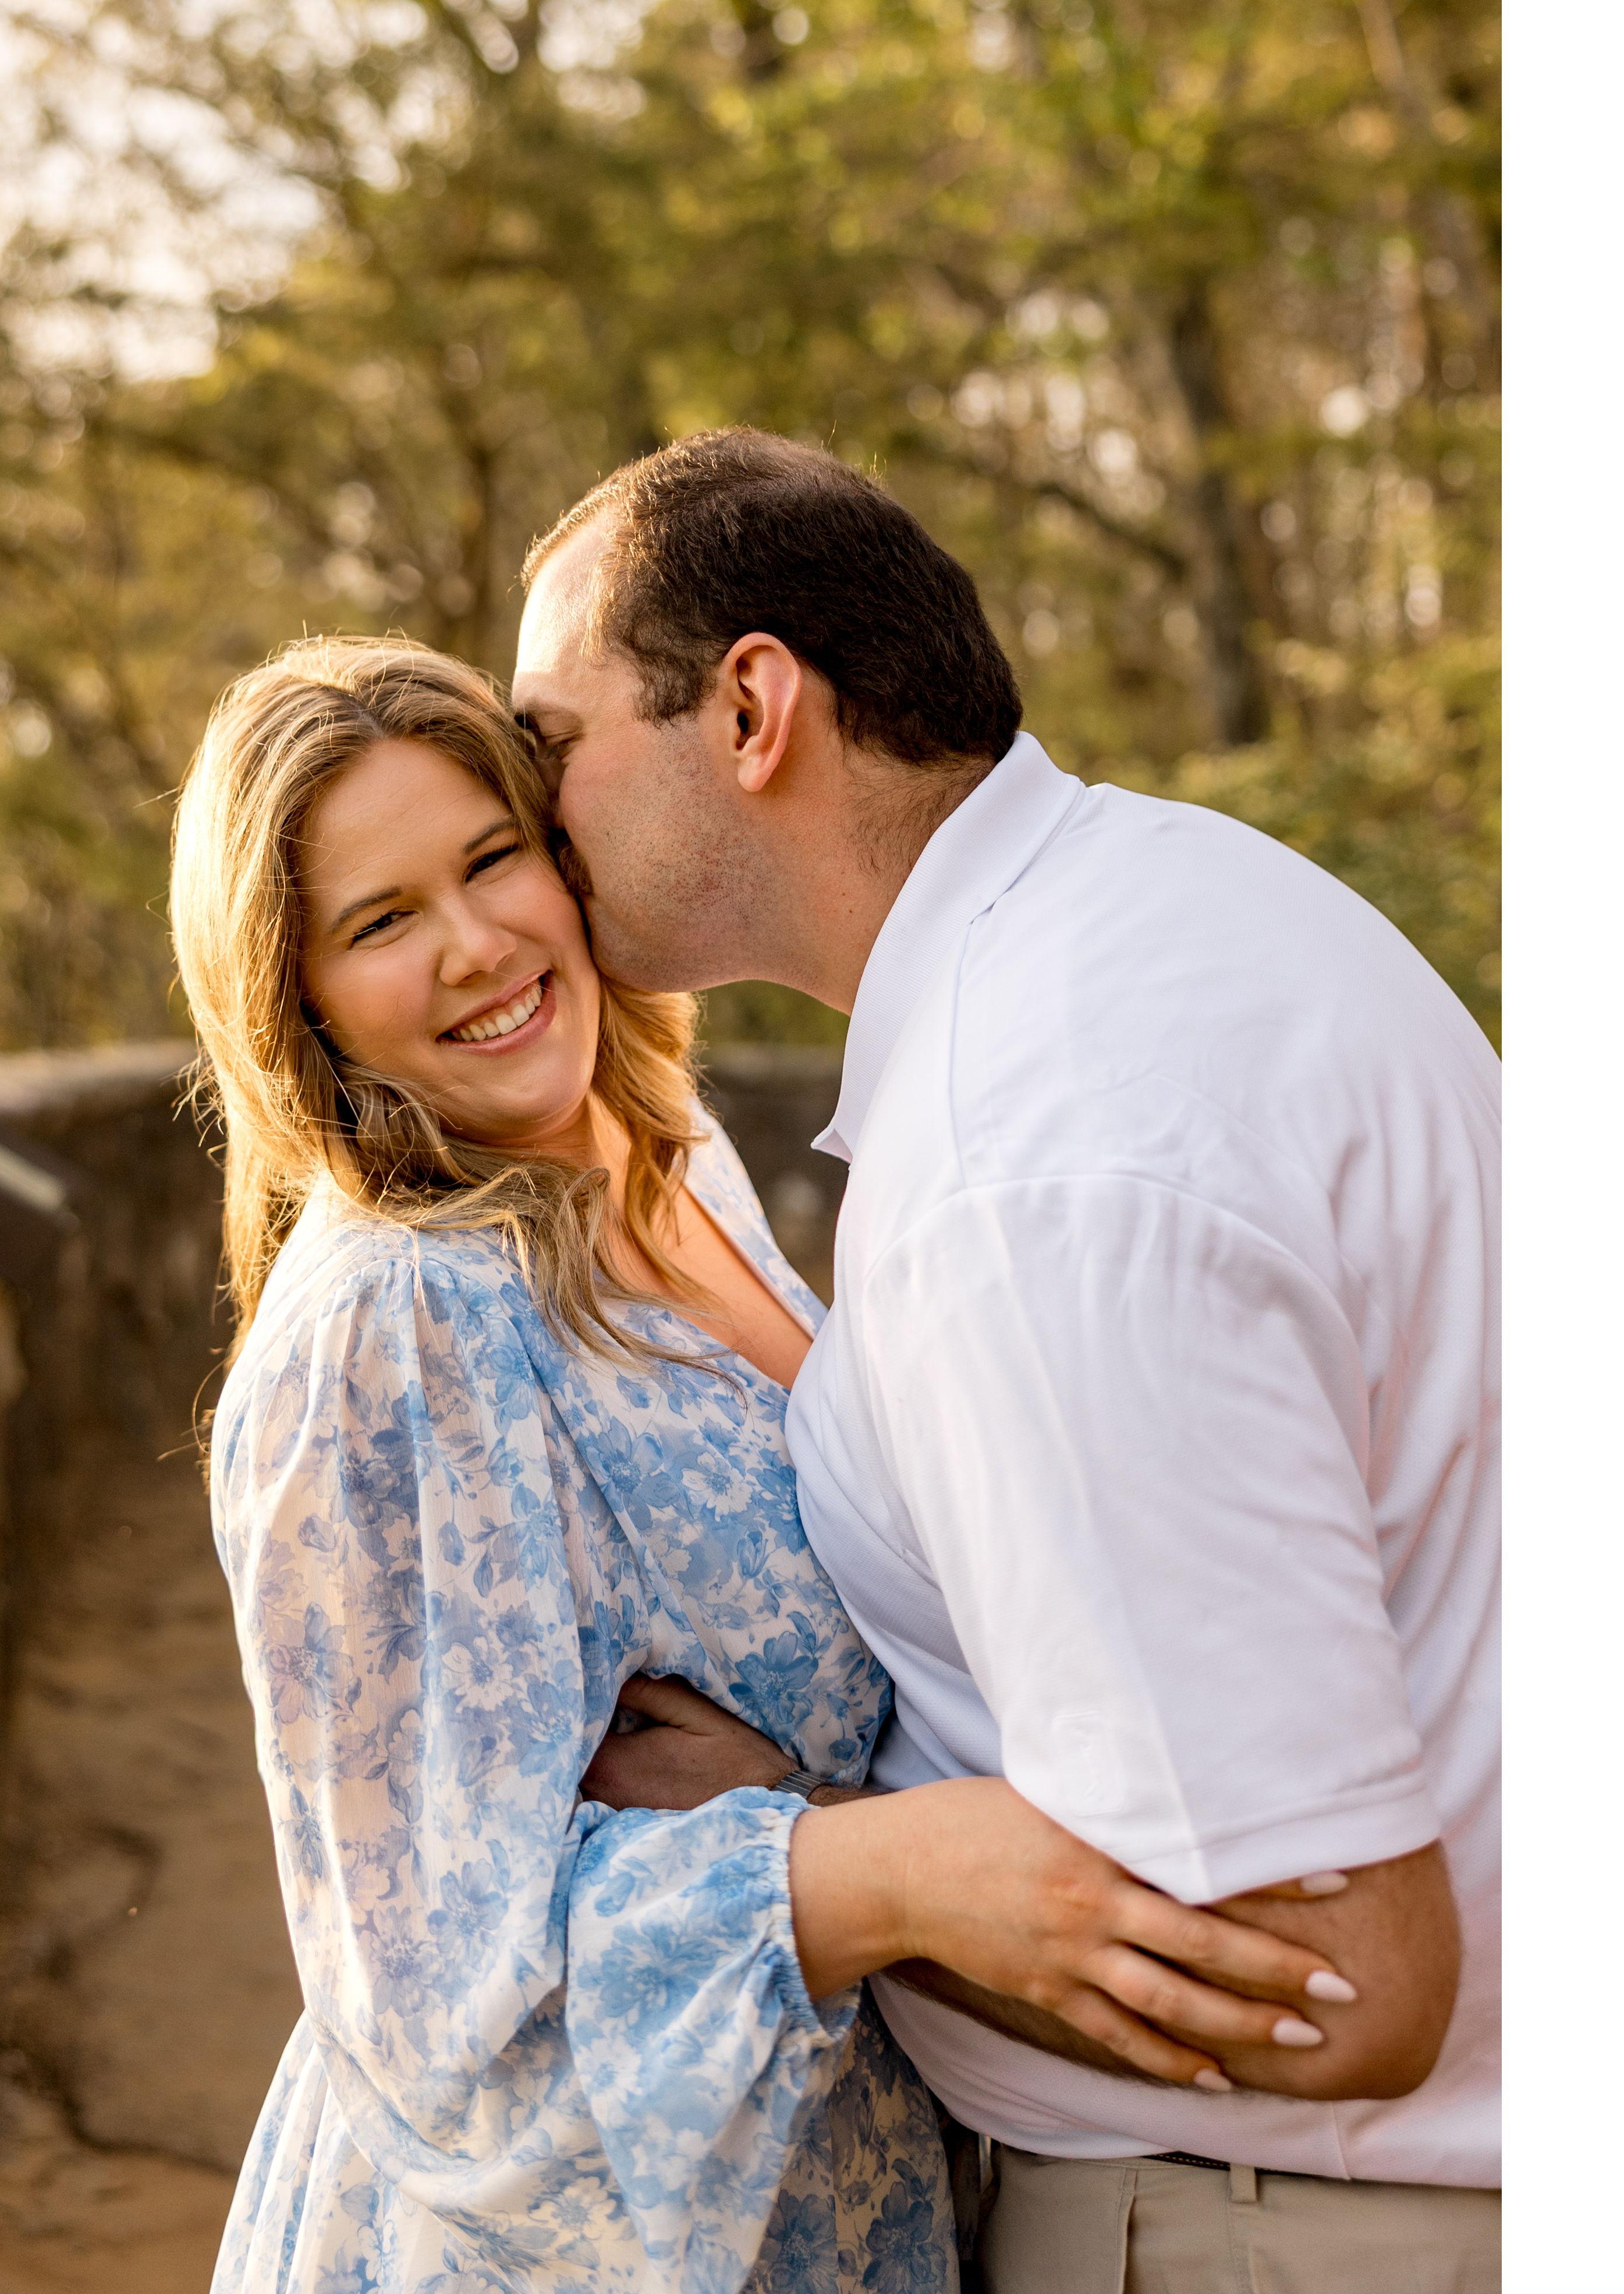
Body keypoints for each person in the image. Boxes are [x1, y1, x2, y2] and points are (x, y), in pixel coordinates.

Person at [168, 638, 1356, 2294]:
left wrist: (816, 1809)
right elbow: (435, 2003)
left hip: (846, 2186)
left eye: (494, 857)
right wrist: (877, 1872)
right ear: (294, 1003)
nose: (474, 943)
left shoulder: (667, 1159)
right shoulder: (397, 1321)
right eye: (380, 923)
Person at [510, 431, 1502, 2291]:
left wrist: (820, 1856)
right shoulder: (1176, 900)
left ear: (749, 710)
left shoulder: (1027, 1162)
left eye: (549, 737)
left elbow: (1331, 1984)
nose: (524, 801)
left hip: (1272, 2233)